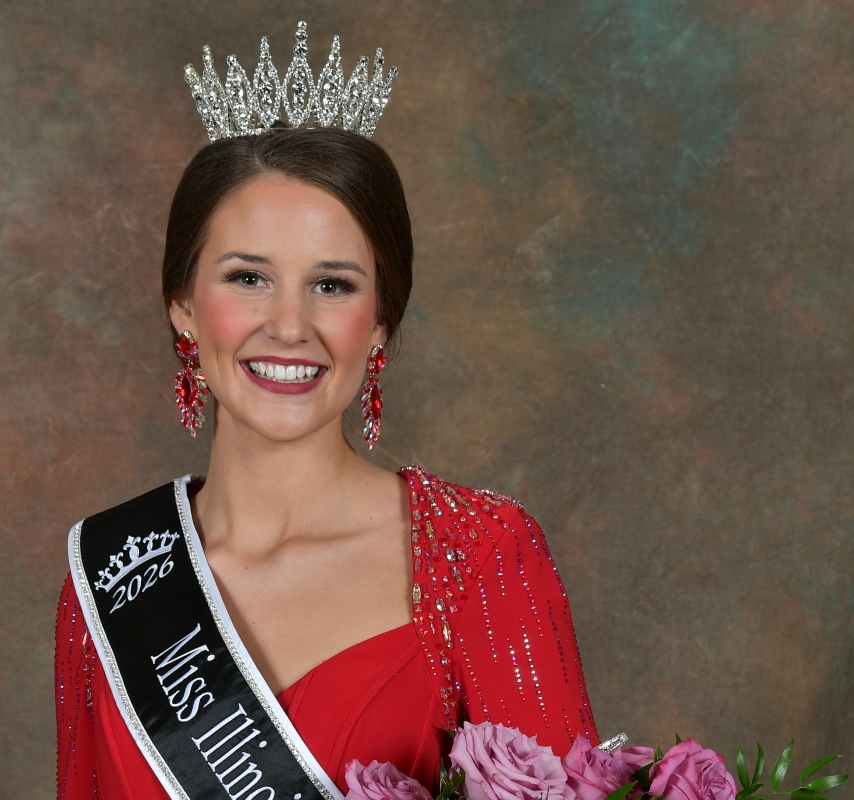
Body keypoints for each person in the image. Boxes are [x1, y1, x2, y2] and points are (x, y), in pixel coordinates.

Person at [56, 23, 597, 800]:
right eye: (247, 278)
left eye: (332, 284)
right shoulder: (111, 575)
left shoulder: (481, 557)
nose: (288, 325)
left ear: (379, 320)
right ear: (182, 305)